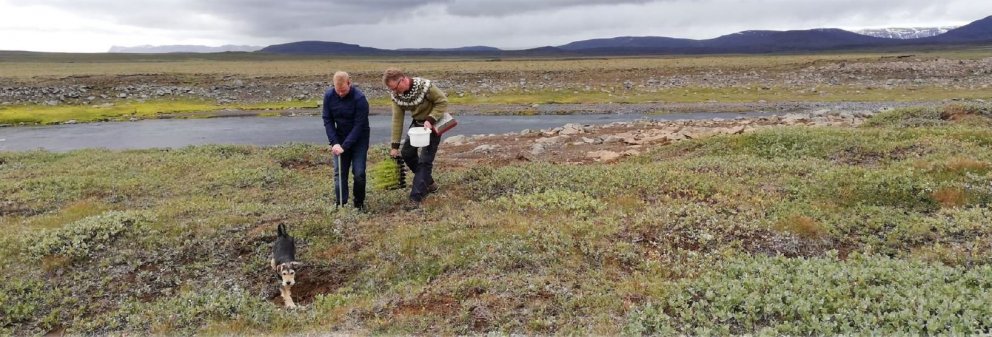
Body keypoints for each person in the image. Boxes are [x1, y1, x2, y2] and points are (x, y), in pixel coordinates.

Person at [383, 68, 448, 210]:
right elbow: (397, 119)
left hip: (434, 125)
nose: (396, 92)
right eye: (392, 89)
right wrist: (394, 146)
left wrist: (431, 119)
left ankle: (415, 198)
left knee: (425, 161)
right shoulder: (396, 96)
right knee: (407, 153)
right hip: (418, 125)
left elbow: (442, 101)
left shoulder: (425, 86)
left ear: (403, 79)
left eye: (396, 88)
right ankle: (428, 183)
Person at [322, 71, 370, 210]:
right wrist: (334, 142)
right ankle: (340, 204)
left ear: (349, 83)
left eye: (343, 91)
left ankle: (359, 204)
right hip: (340, 137)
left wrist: (346, 146)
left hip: (359, 139)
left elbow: (359, 125)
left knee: (359, 172)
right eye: (338, 91)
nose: (341, 94)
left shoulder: (359, 98)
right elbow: (327, 119)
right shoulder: (329, 96)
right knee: (340, 173)